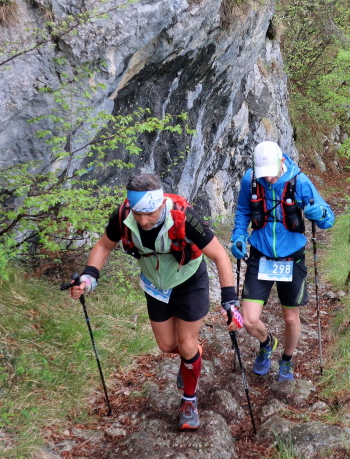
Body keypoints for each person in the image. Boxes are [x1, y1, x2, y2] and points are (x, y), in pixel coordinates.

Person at [69, 173, 242, 431]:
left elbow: (219, 255)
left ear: (161, 203)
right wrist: (88, 278)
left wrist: (229, 301)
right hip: (155, 285)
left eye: (149, 213)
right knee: (167, 345)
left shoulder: (183, 217)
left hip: (189, 280)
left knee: (186, 344)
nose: (143, 221)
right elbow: (104, 246)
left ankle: (189, 401)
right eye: (138, 214)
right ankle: (193, 355)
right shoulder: (123, 216)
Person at [230, 141, 334, 381]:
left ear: (282, 162)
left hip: (291, 257)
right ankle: (267, 343)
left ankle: (287, 360)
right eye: (263, 174)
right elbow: (243, 211)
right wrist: (238, 236)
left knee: (290, 318)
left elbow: (328, 218)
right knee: (249, 320)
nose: (268, 179)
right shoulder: (250, 180)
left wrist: (320, 214)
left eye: (272, 173)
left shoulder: (299, 181)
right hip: (260, 254)